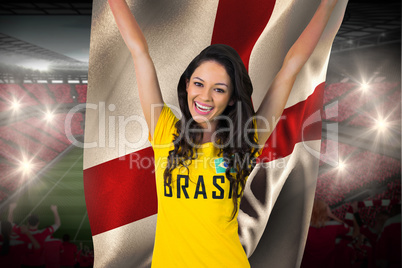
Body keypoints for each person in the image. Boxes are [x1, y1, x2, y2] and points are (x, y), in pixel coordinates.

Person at [108, 0, 339, 266]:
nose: (204, 96)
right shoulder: (165, 133)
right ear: (187, 85)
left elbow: (291, 66)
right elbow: (139, 51)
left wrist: (328, 5)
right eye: (198, 83)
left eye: (218, 89)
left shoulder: (247, 139)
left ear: (231, 98)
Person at [8, 203, 61, 268]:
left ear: (28, 222)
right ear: (38, 223)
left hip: (25, 264)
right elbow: (57, 224)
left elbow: (9, 223)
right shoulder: (43, 233)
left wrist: (11, 209)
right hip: (39, 264)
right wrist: (55, 210)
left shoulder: (22, 232)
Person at [301, 199, 351, 268]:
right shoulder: (333, 227)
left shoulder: (304, 229)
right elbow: (347, 228)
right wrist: (331, 215)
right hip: (327, 264)